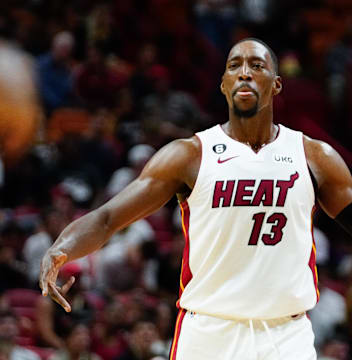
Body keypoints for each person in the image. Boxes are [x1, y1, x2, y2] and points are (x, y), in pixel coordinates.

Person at [40, 38, 352, 360]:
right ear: (223, 85)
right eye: (234, 66)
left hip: (286, 335)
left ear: (276, 84)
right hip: (208, 332)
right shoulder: (190, 155)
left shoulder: (314, 156)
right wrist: (60, 248)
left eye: (256, 66)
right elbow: (108, 218)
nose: (244, 73)